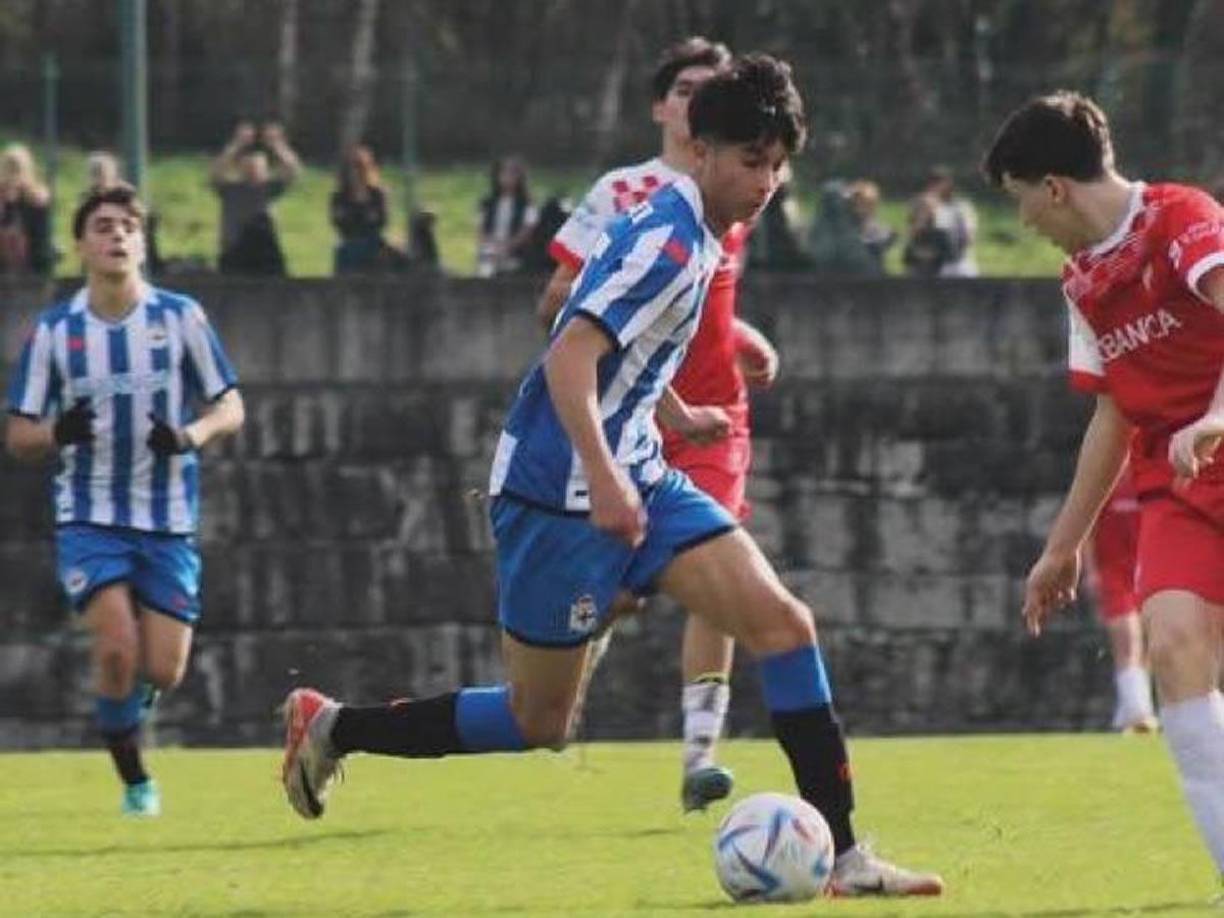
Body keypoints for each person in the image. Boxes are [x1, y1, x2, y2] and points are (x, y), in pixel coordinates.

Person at [280, 54, 943, 898]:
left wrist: (668, 418)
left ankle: (846, 858)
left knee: (783, 625)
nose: (768, 181)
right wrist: (604, 475)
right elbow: (569, 354)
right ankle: (335, 726)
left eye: (779, 164)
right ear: (699, 150)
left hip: (636, 466)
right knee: (539, 721)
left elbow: (617, 332)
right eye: (751, 161)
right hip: (557, 495)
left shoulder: (700, 229)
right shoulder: (666, 239)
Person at [987, 90, 1224, 885]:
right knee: (1173, 644)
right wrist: (1063, 547)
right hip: (1177, 482)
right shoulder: (1082, 281)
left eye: (1023, 201)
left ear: (1053, 187)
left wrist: (1217, 416)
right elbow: (1112, 416)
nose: (1025, 221)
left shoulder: (1182, 218)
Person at [536, 36, 775, 814]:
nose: (700, 95)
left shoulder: (740, 187)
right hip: (631, 414)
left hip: (715, 421)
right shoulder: (625, 193)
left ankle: (699, 754)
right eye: (687, 87)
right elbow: (561, 300)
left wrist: (742, 342)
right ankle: (567, 671)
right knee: (619, 592)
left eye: (714, 85)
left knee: (721, 580)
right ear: (662, 106)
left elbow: (706, 308)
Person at [4, 183, 244, 816]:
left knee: (164, 671)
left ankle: (133, 695)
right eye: (103, 226)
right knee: (115, 648)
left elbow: (231, 404)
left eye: (128, 226)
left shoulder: (180, 318)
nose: (117, 235)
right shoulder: (57, 331)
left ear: (142, 242)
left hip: (166, 519)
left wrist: (190, 434)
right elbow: (18, 433)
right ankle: (136, 779)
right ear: (81, 245)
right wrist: (59, 432)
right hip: (89, 517)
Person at [1085, 464, 1157, 733]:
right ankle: (1140, 712)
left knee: (1150, 644)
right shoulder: (1104, 482)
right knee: (1128, 639)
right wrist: (1091, 572)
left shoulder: (1148, 480)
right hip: (1114, 574)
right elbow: (1086, 530)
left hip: (1147, 571)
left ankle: (1130, 709)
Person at [210, 121, 300, 276]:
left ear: (265, 170)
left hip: (265, 253)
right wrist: (237, 145)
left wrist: (277, 145)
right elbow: (215, 173)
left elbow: (293, 172)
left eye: (258, 167)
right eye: (248, 167)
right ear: (240, 169)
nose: (253, 171)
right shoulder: (231, 190)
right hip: (234, 251)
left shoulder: (269, 189)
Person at [85, 151, 165, 275]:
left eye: (102, 172)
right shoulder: (88, 200)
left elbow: (142, 215)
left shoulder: (124, 193)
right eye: (95, 173)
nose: (99, 177)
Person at [330, 144, 394, 274]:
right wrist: (365, 216)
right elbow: (339, 224)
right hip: (349, 241)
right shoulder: (339, 197)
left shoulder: (377, 194)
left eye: (359, 168)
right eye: (351, 170)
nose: (355, 174)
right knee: (346, 251)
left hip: (373, 241)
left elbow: (382, 221)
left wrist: (354, 216)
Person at [476, 157, 537, 277]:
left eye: (512, 174)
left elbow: (527, 230)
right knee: (486, 270)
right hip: (490, 251)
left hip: (515, 254)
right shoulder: (486, 203)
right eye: (504, 173)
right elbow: (480, 230)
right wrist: (491, 246)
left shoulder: (528, 204)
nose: (508, 178)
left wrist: (507, 247)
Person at [0, 142, 51, 276]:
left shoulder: (36, 200)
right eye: (9, 169)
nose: (12, 176)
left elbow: (41, 242)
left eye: (16, 170)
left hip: (30, 273)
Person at [925, 166, 979, 277]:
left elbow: (969, 235)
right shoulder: (927, 207)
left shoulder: (961, 206)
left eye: (939, 184)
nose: (935, 188)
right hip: (940, 264)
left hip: (960, 262)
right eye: (933, 184)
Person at [846, 180, 896, 275]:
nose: (862, 209)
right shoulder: (844, 231)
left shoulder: (883, 231)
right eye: (857, 204)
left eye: (867, 204)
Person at [902, 192, 954, 277]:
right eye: (920, 210)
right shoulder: (915, 233)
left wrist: (933, 255)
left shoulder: (941, 233)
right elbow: (906, 260)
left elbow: (950, 256)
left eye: (926, 210)